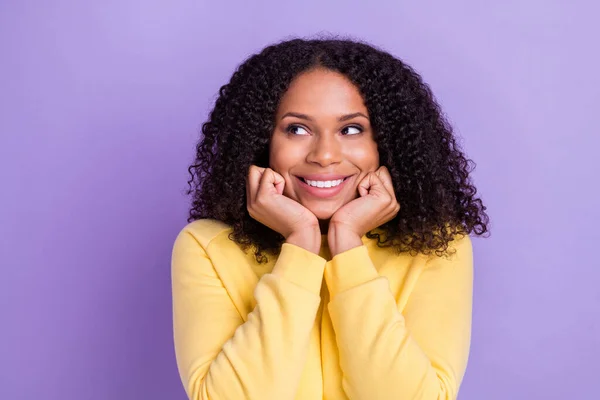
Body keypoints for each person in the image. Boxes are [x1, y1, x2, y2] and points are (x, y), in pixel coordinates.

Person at [171, 37, 489, 400]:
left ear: (386, 142)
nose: (324, 155)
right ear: (263, 142)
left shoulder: (437, 245)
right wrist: (301, 246)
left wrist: (349, 247)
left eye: (351, 129)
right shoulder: (207, 247)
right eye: (297, 129)